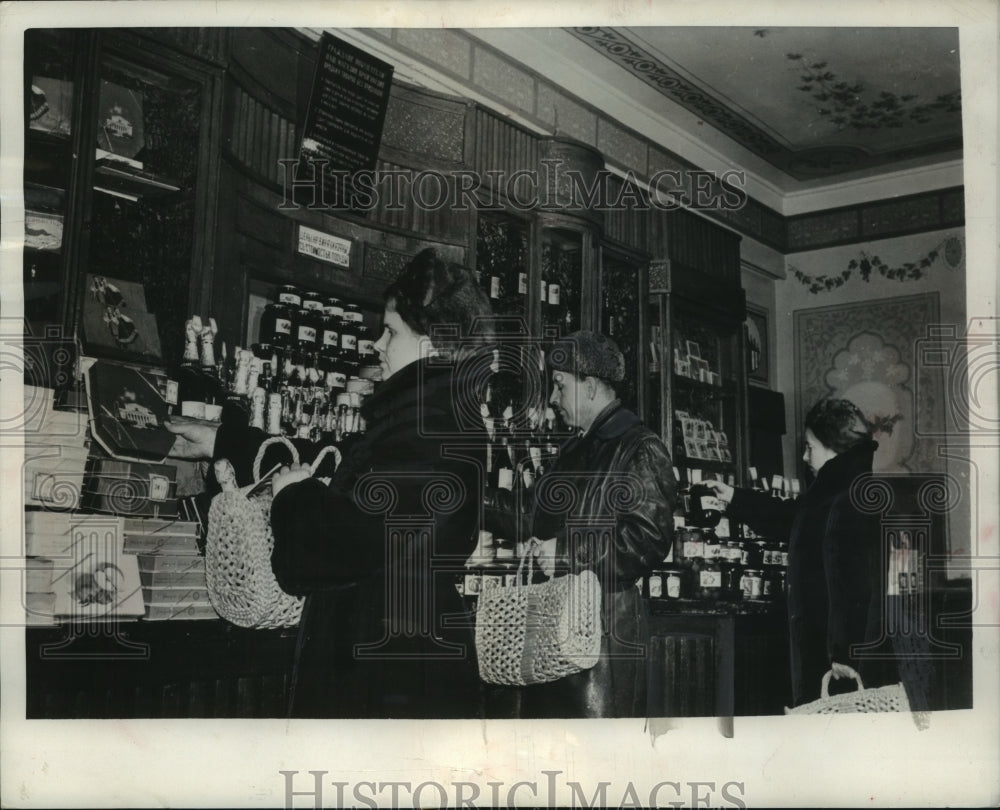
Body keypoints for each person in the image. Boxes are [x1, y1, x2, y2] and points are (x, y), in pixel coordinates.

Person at [167, 248, 494, 718]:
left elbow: (347, 542)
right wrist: (222, 440)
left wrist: (292, 498)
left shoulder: (429, 428)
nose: (377, 345)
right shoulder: (430, 419)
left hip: (386, 674)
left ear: (430, 347)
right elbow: (338, 465)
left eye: (391, 331)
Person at [485, 330, 676, 718]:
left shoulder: (640, 447)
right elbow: (529, 514)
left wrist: (564, 551)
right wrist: (470, 494)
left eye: (560, 385)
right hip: (557, 636)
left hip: (603, 643)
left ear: (590, 387)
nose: (552, 400)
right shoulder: (575, 448)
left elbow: (646, 541)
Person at [703, 397, 891, 708]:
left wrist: (845, 653)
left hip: (838, 663)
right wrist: (735, 497)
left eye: (810, 447)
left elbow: (860, 585)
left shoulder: (850, 499)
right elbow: (791, 518)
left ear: (833, 448)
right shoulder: (833, 493)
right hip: (826, 652)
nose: (804, 456)